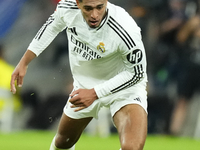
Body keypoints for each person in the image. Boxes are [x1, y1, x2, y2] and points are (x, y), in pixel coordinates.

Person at [10, 0, 148, 149]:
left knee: (132, 147)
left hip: (123, 87)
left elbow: (137, 73)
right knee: (63, 142)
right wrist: (24, 62)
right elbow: (51, 27)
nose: (94, 15)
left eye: (99, 7)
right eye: (88, 8)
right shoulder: (67, 8)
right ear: (78, 3)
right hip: (85, 85)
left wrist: (95, 93)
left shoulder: (125, 28)